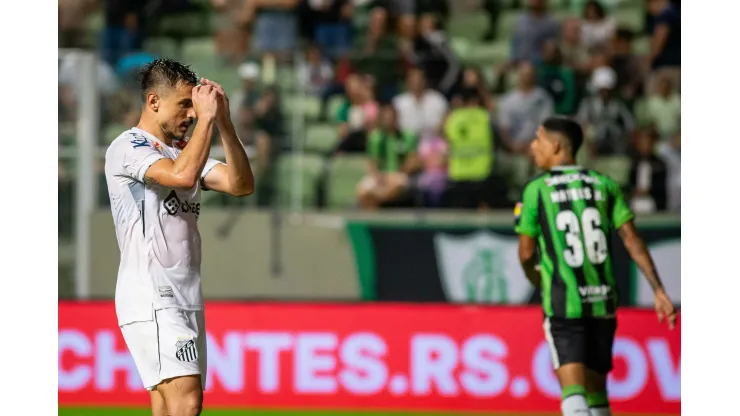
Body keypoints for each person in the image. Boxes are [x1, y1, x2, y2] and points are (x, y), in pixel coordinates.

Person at [104, 59, 254, 416]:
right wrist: (205, 120)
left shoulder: (184, 150)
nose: (191, 113)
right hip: (152, 291)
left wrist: (224, 123)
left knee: (168, 405)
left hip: (185, 292)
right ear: (154, 102)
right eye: (184, 104)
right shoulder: (129, 146)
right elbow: (182, 177)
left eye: (194, 104)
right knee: (187, 401)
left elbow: (240, 184)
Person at [515, 117, 677, 416]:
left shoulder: (537, 190)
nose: (532, 146)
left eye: (538, 139)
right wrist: (659, 290)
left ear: (557, 145)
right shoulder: (605, 184)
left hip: (565, 303)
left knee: (573, 393)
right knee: (597, 392)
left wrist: (534, 277)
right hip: (603, 301)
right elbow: (631, 239)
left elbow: (526, 253)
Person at [356, 104, 420, 209]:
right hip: (380, 175)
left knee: (396, 186)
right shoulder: (375, 138)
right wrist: (377, 176)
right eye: (386, 118)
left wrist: (398, 173)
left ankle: (379, 201)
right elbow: (371, 162)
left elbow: (413, 160)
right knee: (362, 190)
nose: (388, 121)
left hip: (399, 174)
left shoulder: (407, 136)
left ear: (397, 118)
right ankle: (373, 218)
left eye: (391, 118)